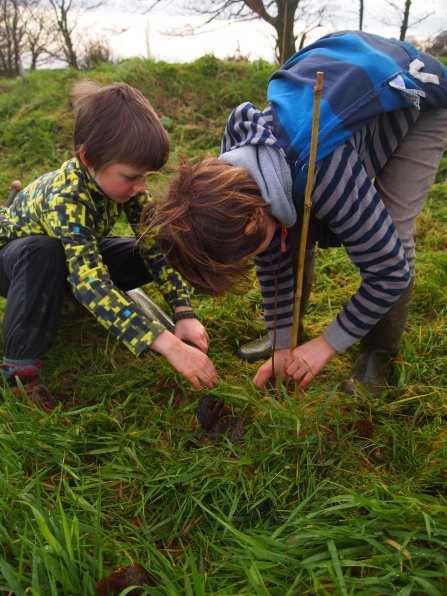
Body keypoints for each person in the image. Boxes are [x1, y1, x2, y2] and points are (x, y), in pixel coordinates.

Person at [150, 30, 447, 396]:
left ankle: (379, 352)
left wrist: (326, 345)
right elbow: (271, 247)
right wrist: (281, 345)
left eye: (246, 251)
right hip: (333, 111)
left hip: (414, 97)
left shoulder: (324, 173)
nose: (251, 261)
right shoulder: (231, 162)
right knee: (284, 233)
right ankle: (290, 335)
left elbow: (389, 272)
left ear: (252, 220)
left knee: (394, 235)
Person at [0, 80, 218, 405]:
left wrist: (183, 312)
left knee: (143, 246)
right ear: (88, 158)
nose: (141, 187)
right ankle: (18, 370)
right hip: (17, 266)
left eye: (147, 176)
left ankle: (62, 296)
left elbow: (153, 248)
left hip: (65, 258)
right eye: (132, 177)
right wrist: (170, 347)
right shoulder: (66, 198)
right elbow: (91, 282)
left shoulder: (125, 186)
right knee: (43, 252)